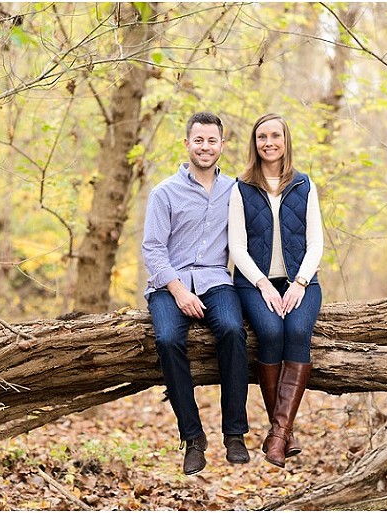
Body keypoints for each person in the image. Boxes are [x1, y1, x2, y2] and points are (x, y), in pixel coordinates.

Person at [142, 112, 250, 475]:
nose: (206, 147)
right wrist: (178, 292)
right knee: (169, 339)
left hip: (216, 280)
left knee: (234, 331)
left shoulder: (236, 191)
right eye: (199, 140)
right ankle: (192, 438)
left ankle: (235, 434)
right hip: (168, 284)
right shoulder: (164, 192)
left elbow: (250, 241)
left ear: (222, 145)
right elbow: (153, 249)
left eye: (212, 141)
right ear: (187, 144)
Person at [228, 112, 323, 468]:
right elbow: (236, 246)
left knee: (297, 329)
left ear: (286, 141)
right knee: (269, 331)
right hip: (253, 282)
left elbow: (316, 243)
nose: (268, 143)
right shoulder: (242, 187)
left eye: (275, 136)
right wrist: (263, 284)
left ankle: (278, 434)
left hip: (301, 281)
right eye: (261, 137)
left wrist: (299, 282)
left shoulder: (304, 185)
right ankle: (283, 434)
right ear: (254, 144)